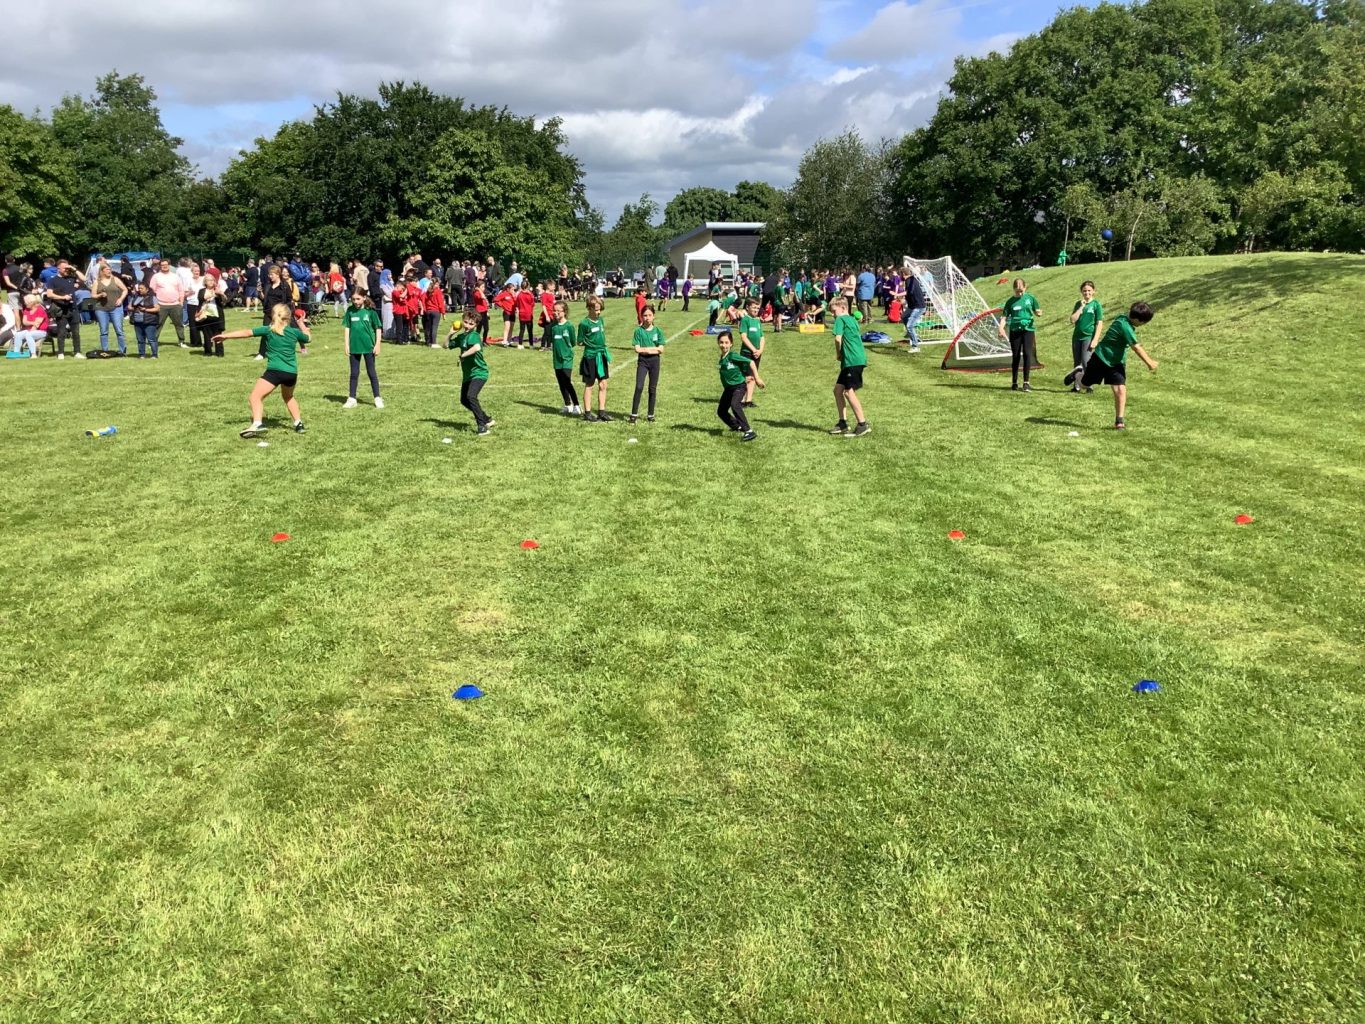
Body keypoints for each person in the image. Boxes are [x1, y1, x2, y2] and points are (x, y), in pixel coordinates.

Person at [213, 303, 311, 438]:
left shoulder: (268, 330)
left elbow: (247, 332)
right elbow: (308, 338)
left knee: (255, 397)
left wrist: (226, 336)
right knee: (288, 397)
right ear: (289, 317)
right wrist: (301, 324)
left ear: (273, 315)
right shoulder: (294, 332)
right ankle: (298, 423)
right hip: (291, 373)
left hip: (275, 371)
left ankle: (258, 424)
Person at [1069, 301, 1157, 430]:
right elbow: (1136, 347)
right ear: (1137, 319)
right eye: (1143, 322)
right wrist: (1150, 363)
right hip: (1101, 357)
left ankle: (1119, 421)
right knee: (1084, 385)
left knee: (1120, 389)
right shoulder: (1124, 325)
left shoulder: (1125, 317)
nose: (1143, 325)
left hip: (1116, 362)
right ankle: (1077, 374)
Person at [829, 297, 871, 437]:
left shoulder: (840, 319)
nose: (833, 315)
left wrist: (838, 354)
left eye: (834, 311)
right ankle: (842, 423)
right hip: (857, 359)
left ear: (842, 308)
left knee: (848, 392)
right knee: (838, 390)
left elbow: (837, 338)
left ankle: (862, 424)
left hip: (852, 360)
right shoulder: (852, 319)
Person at [447, 310, 493, 436]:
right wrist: (450, 333)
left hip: (479, 372)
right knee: (464, 400)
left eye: (471, 324)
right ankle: (487, 419)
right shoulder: (462, 337)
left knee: (471, 396)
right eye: (466, 322)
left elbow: (476, 347)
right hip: (468, 374)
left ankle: (482, 426)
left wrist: (463, 355)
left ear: (475, 325)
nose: (467, 325)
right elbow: (446, 345)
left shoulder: (474, 335)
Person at [342, 288, 384, 408]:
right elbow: (347, 327)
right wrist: (346, 344)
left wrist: (377, 344)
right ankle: (352, 398)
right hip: (354, 346)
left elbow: (378, 328)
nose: (355, 301)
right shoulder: (350, 310)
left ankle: (377, 397)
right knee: (354, 373)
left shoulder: (370, 311)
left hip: (368, 347)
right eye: (353, 299)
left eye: (358, 299)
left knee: (371, 372)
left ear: (364, 298)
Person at [998, 277, 1040, 391]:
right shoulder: (1010, 302)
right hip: (1015, 330)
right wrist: (1001, 328)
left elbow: (1037, 310)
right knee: (1016, 356)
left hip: (1028, 330)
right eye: (1017, 291)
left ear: (1025, 288)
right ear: (1013, 289)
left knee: (1027, 354)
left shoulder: (1030, 298)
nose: (1020, 293)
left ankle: (1026, 382)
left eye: (1021, 291)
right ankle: (1014, 382)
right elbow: (1004, 317)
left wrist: (1038, 313)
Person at [716, 330, 756, 442]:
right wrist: (743, 375)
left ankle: (749, 431)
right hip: (729, 388)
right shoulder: (722, 358)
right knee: (721, 411)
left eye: (726, 342)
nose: (724, 345)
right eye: (721, 342)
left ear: (731, 344)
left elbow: (751, 362)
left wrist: (756, 378)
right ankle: (736, 426)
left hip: (739, 387)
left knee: (735, 405)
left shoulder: (733, 355)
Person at [577, 295, 612, 421]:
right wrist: (590, 343)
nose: (598, 312)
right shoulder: (584, 323)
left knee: (603, 384)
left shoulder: (601, 320)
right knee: (590, 384)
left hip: (601, 355)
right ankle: (587, 413)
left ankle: (602, 412)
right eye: (596, 309)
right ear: (589, 308)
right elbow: (579, 341)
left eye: (600, 309)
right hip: (590, 356)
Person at [629, 304, 665, 424]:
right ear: (641, 316)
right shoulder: (638, 331)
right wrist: (652, 349)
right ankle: (634, 414)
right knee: (639, 386)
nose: (647, 318)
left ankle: (650, 415)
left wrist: (648, 349)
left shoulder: (658, 331)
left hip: (655, 361)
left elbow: (661, 349)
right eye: (645, 315)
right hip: (643, 361)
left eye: (650, 315)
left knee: (652, 388)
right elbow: (637, 349)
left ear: (654, 316)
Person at [1067, 280, 1103, 393]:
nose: (1087, 293)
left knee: (1086, 361)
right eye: (1084, 291)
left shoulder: (1096, 305)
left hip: (1088, 337)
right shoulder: (1078, 304)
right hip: (1077, 337)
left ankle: (1089, 385)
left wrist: (1095, 339)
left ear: (1093, 291)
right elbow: (1072, 320)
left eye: (1089, 290)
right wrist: (1081, 308)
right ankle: (1076, 386)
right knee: (1077, 363)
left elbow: (1099, 323)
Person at [43, 264, 83, 359]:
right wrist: (63, 297)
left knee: (76, 332)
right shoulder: (53, 280)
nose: (67, 270)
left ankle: (77, 352)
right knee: (61, 332)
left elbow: (84, 279)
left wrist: (73, 268)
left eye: (68, 268)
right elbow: (49, 294)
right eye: (65, 268)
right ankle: (61, 352)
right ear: (59, 269)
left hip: (73, 308)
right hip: (61, 309)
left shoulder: (71, 278)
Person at [548, 300, 580, 414]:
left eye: (558, 311)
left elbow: (573, 342)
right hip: (556, 359)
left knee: (567, 381)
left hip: (567, 358)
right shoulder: (553, 327)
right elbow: (552, 341)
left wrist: (566, 352)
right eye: (554, 310)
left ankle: (577, 405)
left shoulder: (569, 326)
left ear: (564, 312)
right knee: (561, 382)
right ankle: (567, 405)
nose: (555, 313)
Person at [90, 264, 129, 355]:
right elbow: (93, 295)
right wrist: (100, 295)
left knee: (119, 330)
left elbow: (125, 290)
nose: (109, 271)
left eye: (110, 269)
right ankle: (105, 351)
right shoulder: (97, 282)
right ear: (102, 271)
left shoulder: (115, 279)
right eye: (107, 269)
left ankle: (122, 351)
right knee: (103, 331)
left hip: (116, 308)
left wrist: (121, 299)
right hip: (101, 309)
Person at [258, 264, 293, 360]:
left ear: (278, 274)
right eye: (269, 274)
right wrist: (260, 292)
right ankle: (262, 353)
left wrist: (283, 311)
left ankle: (283, 351)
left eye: (271, 274)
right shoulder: (268, 285)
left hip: (279, 314)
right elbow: (264, 299)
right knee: (265, 332)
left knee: (282, 332)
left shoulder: (284, 286)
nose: (270, 276)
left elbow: (289, 300)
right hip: (268, 313)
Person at [149, 259, 186, 346]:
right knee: (158, 324)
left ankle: (181, 342)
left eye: (166, 265)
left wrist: (181, 302)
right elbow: (152, 290)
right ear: (160, 266)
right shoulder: (156, 276)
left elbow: (181, 290)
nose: (164, 266)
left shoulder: (175, 276)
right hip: (161, 304)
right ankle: (153, 342)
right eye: (162, 265)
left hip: (175, 304)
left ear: (169, 265)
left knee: (179, 324)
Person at [737, 297, 767, 407]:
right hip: (747, 353)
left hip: (757, 353)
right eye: (754, 307)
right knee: (746, 377)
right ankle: (741, 399)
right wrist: (753, 350)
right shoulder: (745, 320)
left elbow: (762, 337)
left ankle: (748, 400)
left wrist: (760, 350)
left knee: (754, 375)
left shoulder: (757, 321)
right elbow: (743, 337)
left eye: (758, 308)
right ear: (747, 307)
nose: (756, 310)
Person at [194, 280, 225, 356]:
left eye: (212, 280)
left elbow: (224, 300)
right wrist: (214, 294)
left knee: (218, 334)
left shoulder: (218, 290)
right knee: (207, 334)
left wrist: (222, 294)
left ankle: (219, 352)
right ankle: (208, 352)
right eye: (209, 280)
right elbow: (202, 298)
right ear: (205, 282)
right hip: (205, 315)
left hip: (216, 314)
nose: (211, 282)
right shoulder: (202, 291)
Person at [128, 282, 160, 358]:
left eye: (142, 288)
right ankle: (142, 354)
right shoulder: (135, 297)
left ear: (147, 289)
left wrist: (145, 309)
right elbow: (129, 307)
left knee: (151, 339)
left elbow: (157, 308)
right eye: (139, 288)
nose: (140, 290)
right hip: (137, 321)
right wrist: (134, 309)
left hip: (149, 321)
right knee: (140, 339)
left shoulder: (152, 297)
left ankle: (154, 354)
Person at [903, 267, 927, 352]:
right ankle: (912, 334)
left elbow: (910, 292)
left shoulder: (911, 280)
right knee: (904, 317)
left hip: (918, 307)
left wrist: (897, 294)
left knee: (909, 326)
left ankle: (915, 346)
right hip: (912, 306)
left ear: (903, 274)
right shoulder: (909, 280)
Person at [423, 276, 447, 350]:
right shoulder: (438, 291)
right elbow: (440, 303)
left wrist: (425, 309)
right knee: (434, 327)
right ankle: (433, 343)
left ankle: (428, 342)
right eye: (438, 284)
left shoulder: (428, 291)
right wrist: (443, 313)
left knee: (428, 327)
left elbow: (423, 299)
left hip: (428, 311)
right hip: (436, 311)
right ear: (436, 283)